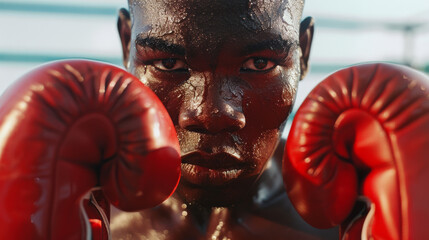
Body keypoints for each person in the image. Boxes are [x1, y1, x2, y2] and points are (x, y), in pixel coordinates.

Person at [111, 0, 338, 239]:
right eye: (169, 64)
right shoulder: (87, 202)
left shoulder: (354, 212)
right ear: (128, 45)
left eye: (259, 64)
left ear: (303, 50)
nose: (211, 116)